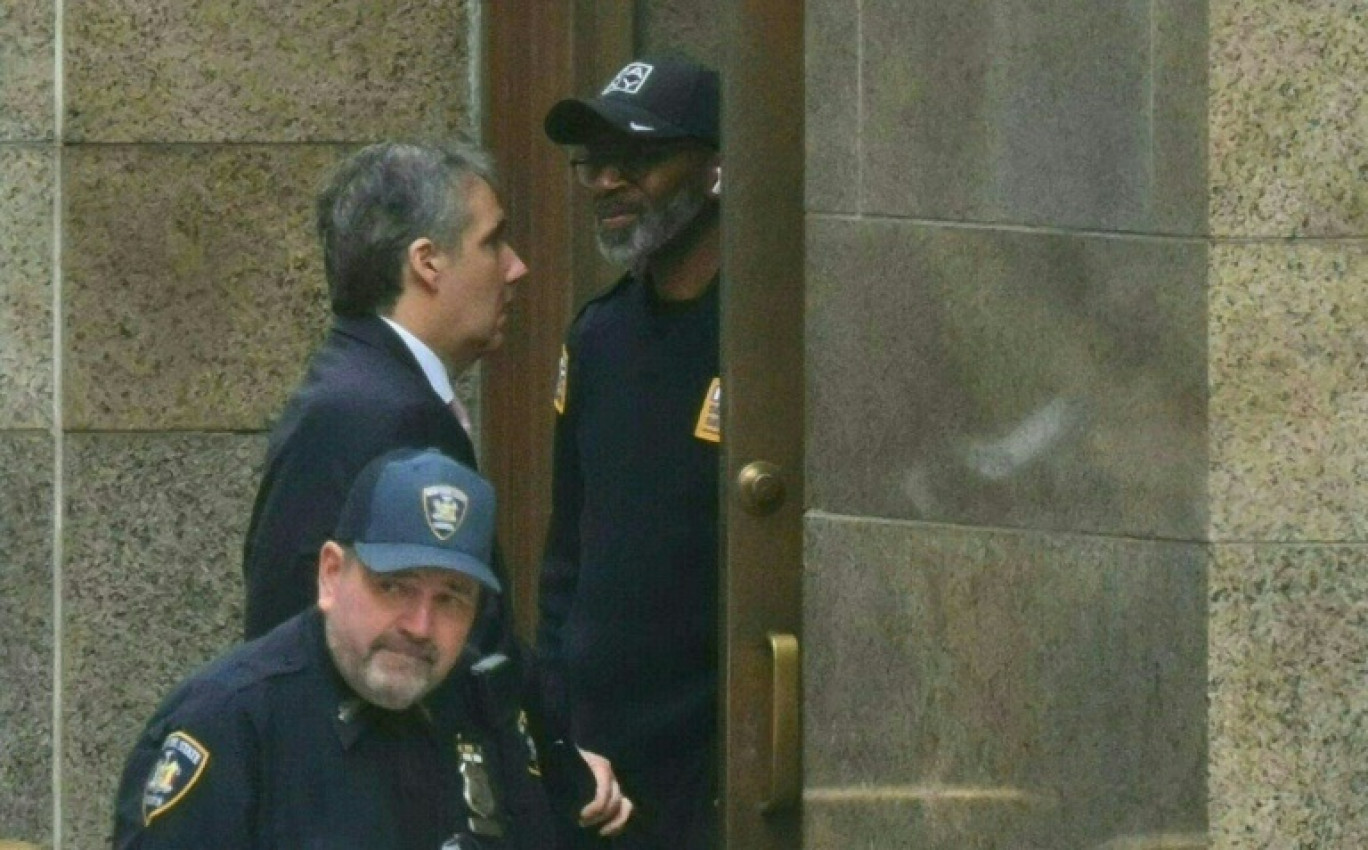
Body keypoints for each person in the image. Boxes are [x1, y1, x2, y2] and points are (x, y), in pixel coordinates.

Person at [239, 141, 628, 843]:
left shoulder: (370, 389)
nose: (516, 268)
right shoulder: (380, 411)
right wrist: (561, 769)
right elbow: (317, 637)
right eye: (493, 242)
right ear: (427, 262)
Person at [113, 448, 582, 848]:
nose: (420, 626)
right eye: (394, 587)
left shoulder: (485, 704)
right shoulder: (231, 725)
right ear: (331, 575)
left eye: (451, 598)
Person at [537, 54, 723, 849]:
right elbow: (566, 558)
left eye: (640, 159)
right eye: (594, 162)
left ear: (716, 166)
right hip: (595, 765)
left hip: (711, 769)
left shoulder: (763, 342)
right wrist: (555, 722)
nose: (608, 181)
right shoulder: (599, 336)